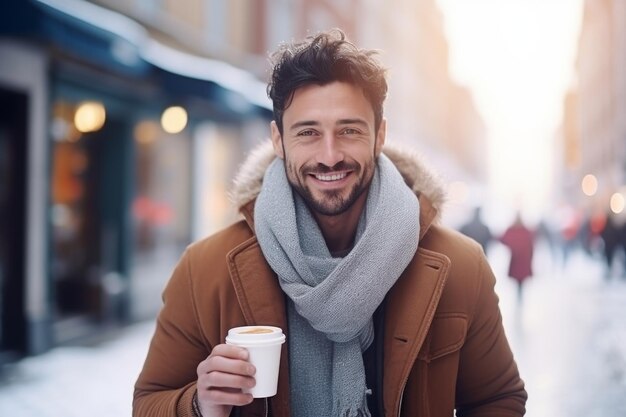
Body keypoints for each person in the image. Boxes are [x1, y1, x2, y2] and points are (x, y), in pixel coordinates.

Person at [133, 29, 527, 417]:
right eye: (307, 133)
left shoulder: (458, 265)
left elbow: (498, 399)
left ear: (379, 136)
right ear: (278, 139)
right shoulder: (205, 268)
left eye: (349, 130)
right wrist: (199, 406)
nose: (329, 155)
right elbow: (149, 402)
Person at [499, 212, 535, 302]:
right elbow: (531, 245)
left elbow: (503, 239)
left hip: (516, 260)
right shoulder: (527, 231)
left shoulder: (512, 230)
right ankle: (519, 295)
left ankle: (518, 295)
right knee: (521, 281)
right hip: (523, 260)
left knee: (518, 280)